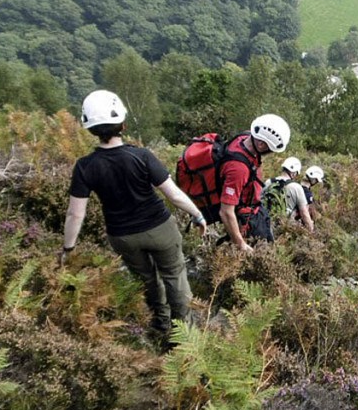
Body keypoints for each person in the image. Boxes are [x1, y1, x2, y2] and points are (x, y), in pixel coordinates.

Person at [61, 90, 207, 341]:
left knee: (146, 279)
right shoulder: (141, 156)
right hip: (159, 228)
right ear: (123, 124)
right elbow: (174, 195)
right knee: (175, 275)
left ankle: (160, 322)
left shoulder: (85, 166)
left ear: (91, 129)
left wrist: (68, 248)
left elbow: (76, 214)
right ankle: (183, 334)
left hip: (122, 235)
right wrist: (197, 214)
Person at [205, 113, 291, 252]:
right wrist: (241, 244)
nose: (270, 153)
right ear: (261, 144)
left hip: (255, 209)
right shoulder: (238, 169)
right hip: (246, 219)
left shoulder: (244, 138)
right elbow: (226, 212)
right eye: (270, 149)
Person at [263, 156, 314, 232]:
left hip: (264, 222)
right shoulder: (297, 187)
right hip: (285, 227)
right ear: (293, 173)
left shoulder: (268, 182)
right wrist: (311, 230)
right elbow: (304, 213)